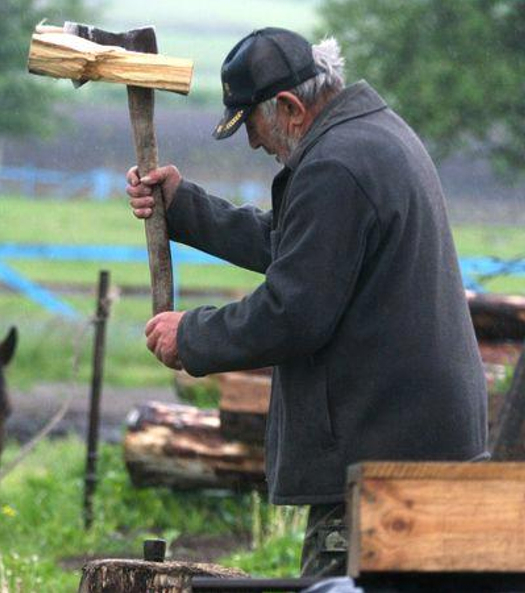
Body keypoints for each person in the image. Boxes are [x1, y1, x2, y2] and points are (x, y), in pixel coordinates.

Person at [126, 27, 489, 577]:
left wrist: (193, 335)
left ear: (291, 107)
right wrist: (185, 207)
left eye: (252, 124)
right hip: (410, 446)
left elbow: (294, 310)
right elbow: (300, 247)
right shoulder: (369, 137)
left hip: (380, 462)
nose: (253, 142)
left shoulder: (336, 165)